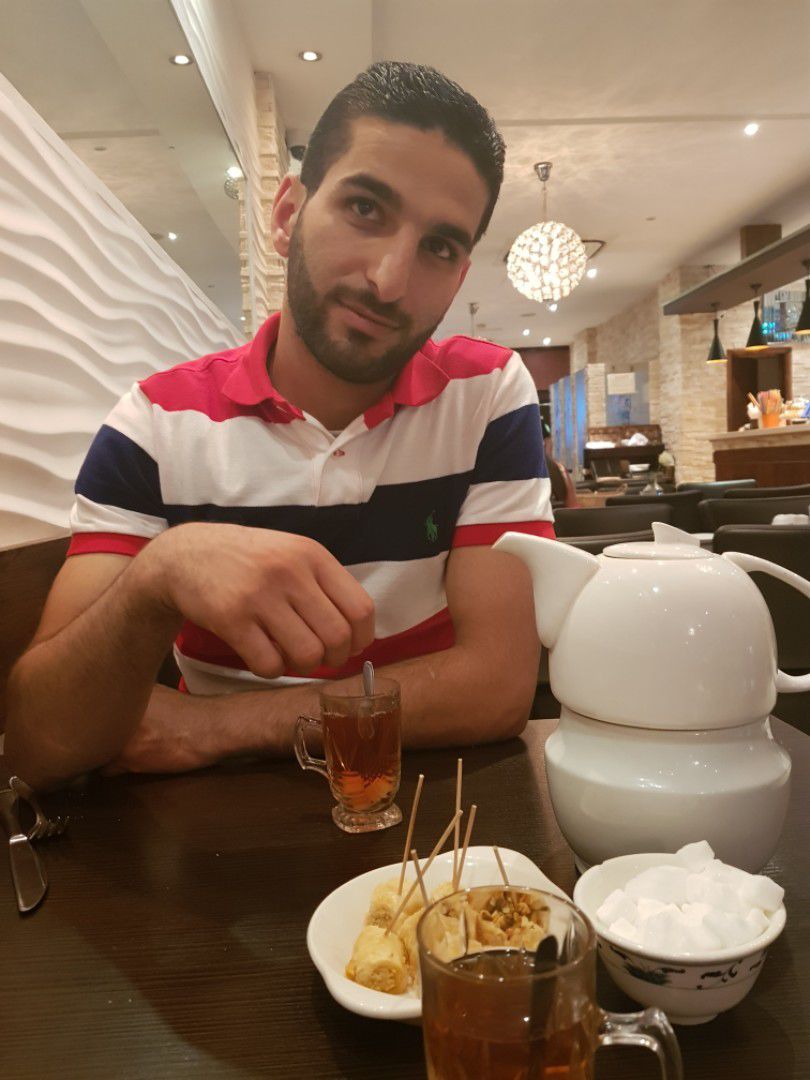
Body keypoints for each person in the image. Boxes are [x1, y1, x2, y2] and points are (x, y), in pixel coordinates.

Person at [4, 62, 553, 789]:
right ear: (288, 213)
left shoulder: (485, 395)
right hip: (204, 826)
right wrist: (159, 577)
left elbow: (497, 687)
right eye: (365, 208)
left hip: (426, 801)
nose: (389, 279)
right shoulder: (156, 421)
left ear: (459, 275)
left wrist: (214, 727)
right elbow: (41, 742)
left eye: (439, 247)